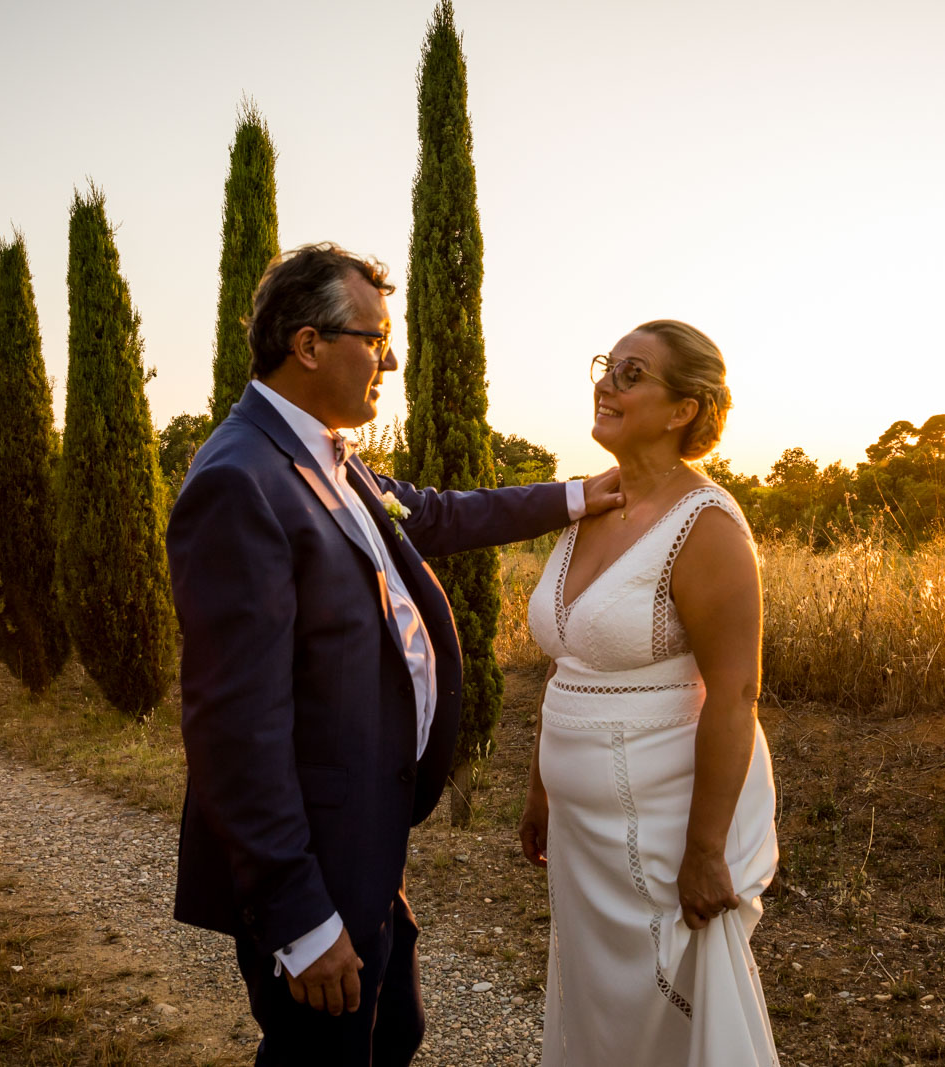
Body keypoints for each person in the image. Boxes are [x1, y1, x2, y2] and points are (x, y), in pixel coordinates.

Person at [166, 242, 622, 1067]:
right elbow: (234, 730)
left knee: (393, 1030)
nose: (391, 359)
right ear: (308, 345)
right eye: (375, 339)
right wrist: (301, 918)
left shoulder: (325, 456)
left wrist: (578, 496)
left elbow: (439, 515)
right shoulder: (241, 480)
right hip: (310, 864)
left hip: (361, 840)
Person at [518, 320, 780, 1066]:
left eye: (631, 373)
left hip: (662, 833)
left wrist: (703, 851)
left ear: (683, 410)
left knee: (663, 1014)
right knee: (596, 1004)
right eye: (607, 365)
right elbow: (568, 660)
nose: (606, 382)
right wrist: (542, 789)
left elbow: (735, 693)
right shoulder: (590, 506)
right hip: (579, 834)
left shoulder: (707, 528)